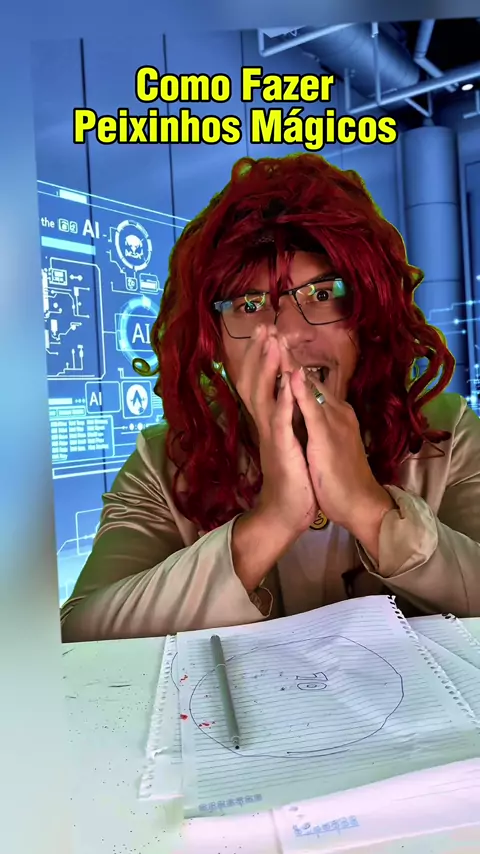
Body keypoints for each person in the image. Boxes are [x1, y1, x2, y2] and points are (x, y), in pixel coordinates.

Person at [60, 153, 480, 642]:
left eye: (321, 295)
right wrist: (272, 522)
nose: (289, 333)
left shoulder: (445, 433)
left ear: (363, 318)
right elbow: (79, 634)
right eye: (249, 304)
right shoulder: (163, 461)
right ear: (214, 339)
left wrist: (372, 511)